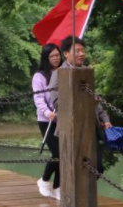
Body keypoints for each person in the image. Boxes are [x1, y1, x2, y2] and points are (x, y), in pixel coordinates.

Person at [47, 36, 112, 188]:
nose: (81, 54)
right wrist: (83, 101)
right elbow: (56, 102)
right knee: (73, 166)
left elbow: (95, 101)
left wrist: (105, 118)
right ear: (66, 54)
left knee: (97, 167)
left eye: (83, 51)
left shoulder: (86, 72)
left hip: (91, 127)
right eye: (77, 51)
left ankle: (81, 196)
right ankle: (69, 197)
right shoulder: (59, 73)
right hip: (70, 128)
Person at [33, 43, 61, 200]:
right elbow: (38, 97)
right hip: (47, 120)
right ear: (46, 58)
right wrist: (47, 112)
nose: (56, 58)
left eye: (58, 55)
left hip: (62, 119)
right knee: (58, 153)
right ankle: (44, 179)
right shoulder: (40, 76)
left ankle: (58, 187)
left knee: (64, 153)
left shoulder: (64, 72)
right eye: (52, 56)